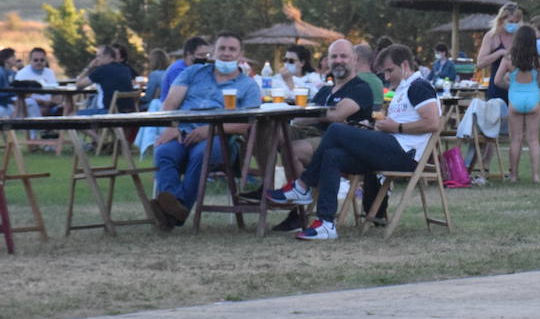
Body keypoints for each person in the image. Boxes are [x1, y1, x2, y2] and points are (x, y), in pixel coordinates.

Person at [272, 43, 441, 240]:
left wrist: (396, 128)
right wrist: (381, 125)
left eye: (389, 71)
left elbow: (432, 123)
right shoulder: (401, 89)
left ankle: (303, 185)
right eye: (384, 72)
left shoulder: (419, 86)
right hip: (389, 147)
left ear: (404, 65)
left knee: (336, 129)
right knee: (332, 155)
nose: (386, 77)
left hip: (405, 154)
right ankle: (326, 224)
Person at [150, 32, 262, 231]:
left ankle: (174, 209)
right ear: (213, 52)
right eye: (222, 49)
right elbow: (169, 104)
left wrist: (210, 130)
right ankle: (176, 208)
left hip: (222, 138)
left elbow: (247, 124)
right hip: (182, 131)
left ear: (240, 54)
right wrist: (170, 126)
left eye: (232, 49)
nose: (226, 53)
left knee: (202, 154)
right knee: (163, 152)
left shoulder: (248, 86)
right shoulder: (193, 73)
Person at [271, 39, 375, 233]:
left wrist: (312, 115)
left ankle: (298, 211)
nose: (338, 60)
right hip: (313, 133)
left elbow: (336, 116)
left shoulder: (360, 88)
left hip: (339, 145)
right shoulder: (325, 90)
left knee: (293, 150)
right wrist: (314, 115)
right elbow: (300, 118)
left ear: (354, 59)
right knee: (270, 134)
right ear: (328, 60)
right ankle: (265, 189)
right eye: (334, 56)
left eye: (343, 56)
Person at [494, 25, 540, 183]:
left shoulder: (508, 59)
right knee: (533, 140)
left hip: (515, 101)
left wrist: (510, 85)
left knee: (515, 139)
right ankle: (536, 176)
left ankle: (514, 176)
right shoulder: (538, 61)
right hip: (533, 101)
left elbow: (497, 80)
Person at [476, 2, 524, 104]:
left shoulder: (520, 37)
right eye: (511, 21)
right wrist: (500, 53)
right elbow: (480, 63)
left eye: (517, 22)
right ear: (502, 20)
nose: (514, 25)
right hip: (496, 87)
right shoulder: (491, 37)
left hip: (517, 86)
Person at [74, 44, 137, 114]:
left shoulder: (101, 70)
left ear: (107, 56)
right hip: (128, 111)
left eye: (98, 56)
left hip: (109, 111)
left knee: (77, 114)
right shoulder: (126, 69)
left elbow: (78, 85)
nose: (96, 59)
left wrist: (89, 67)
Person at [15, 48, 60, 118]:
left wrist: (51, 103)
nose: (39, 62)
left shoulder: (50, 73)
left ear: (45, 60)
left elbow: (56, 91)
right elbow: (20, 95)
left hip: (49, 105)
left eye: (42, 60)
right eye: (36, 60)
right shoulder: (22, 74)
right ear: (30, 60)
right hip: (30, 106)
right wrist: (41, 102)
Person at [0, 47, 17, 116]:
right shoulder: (1, 73)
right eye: (13, 57)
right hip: (2, 104)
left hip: (10, 103)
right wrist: (12, 100)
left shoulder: (14, 72)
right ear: (5, 59)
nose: (15, 59)